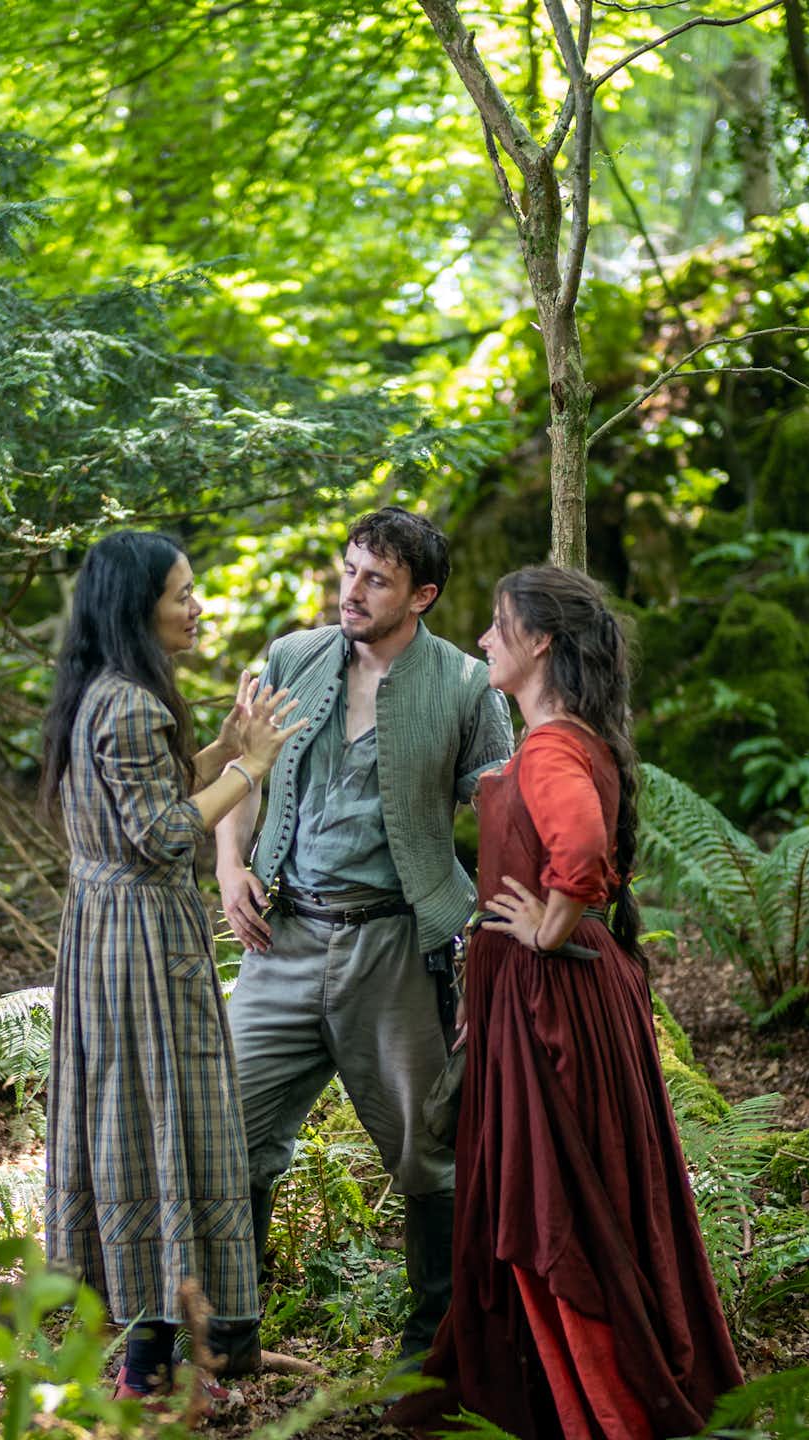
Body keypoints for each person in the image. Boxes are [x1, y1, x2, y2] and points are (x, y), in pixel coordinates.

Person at [403, 565, 743, 1439]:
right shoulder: (574, 736)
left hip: (550, 996)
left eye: (497, 624)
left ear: (541, 640)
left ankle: (603, 1407)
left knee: (550, 1197)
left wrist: (547, 928)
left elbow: (583, 848)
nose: (483, 639)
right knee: (569, 1191)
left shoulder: (553, 744)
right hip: (561, 991)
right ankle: (557, 1399)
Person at [208, 507, 514, 1377]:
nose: (353, 591)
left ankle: (430, 1361)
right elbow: (239, 774)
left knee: (428, 1152)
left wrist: (501, 934)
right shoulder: (291, 658)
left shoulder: (465, 686)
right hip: (281, 940)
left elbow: (504, 814)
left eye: (376, 579)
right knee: (227, 1132)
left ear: (422, 596)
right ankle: (228, 1343)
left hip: (396, 950)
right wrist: (230, 867)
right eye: (349, 571)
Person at [39, 530, 307, 1400]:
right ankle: (148, 1374)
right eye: (182, 594)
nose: (197, 607)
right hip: (141, 947)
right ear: (138, 606)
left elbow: (148, 798)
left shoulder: (105, 693)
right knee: (165, 1131)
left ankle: (151, 1367)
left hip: (108, 934)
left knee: (144, 1131)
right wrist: (254, 767)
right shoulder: (130, 704)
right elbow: (161, 833)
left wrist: (224, 753)